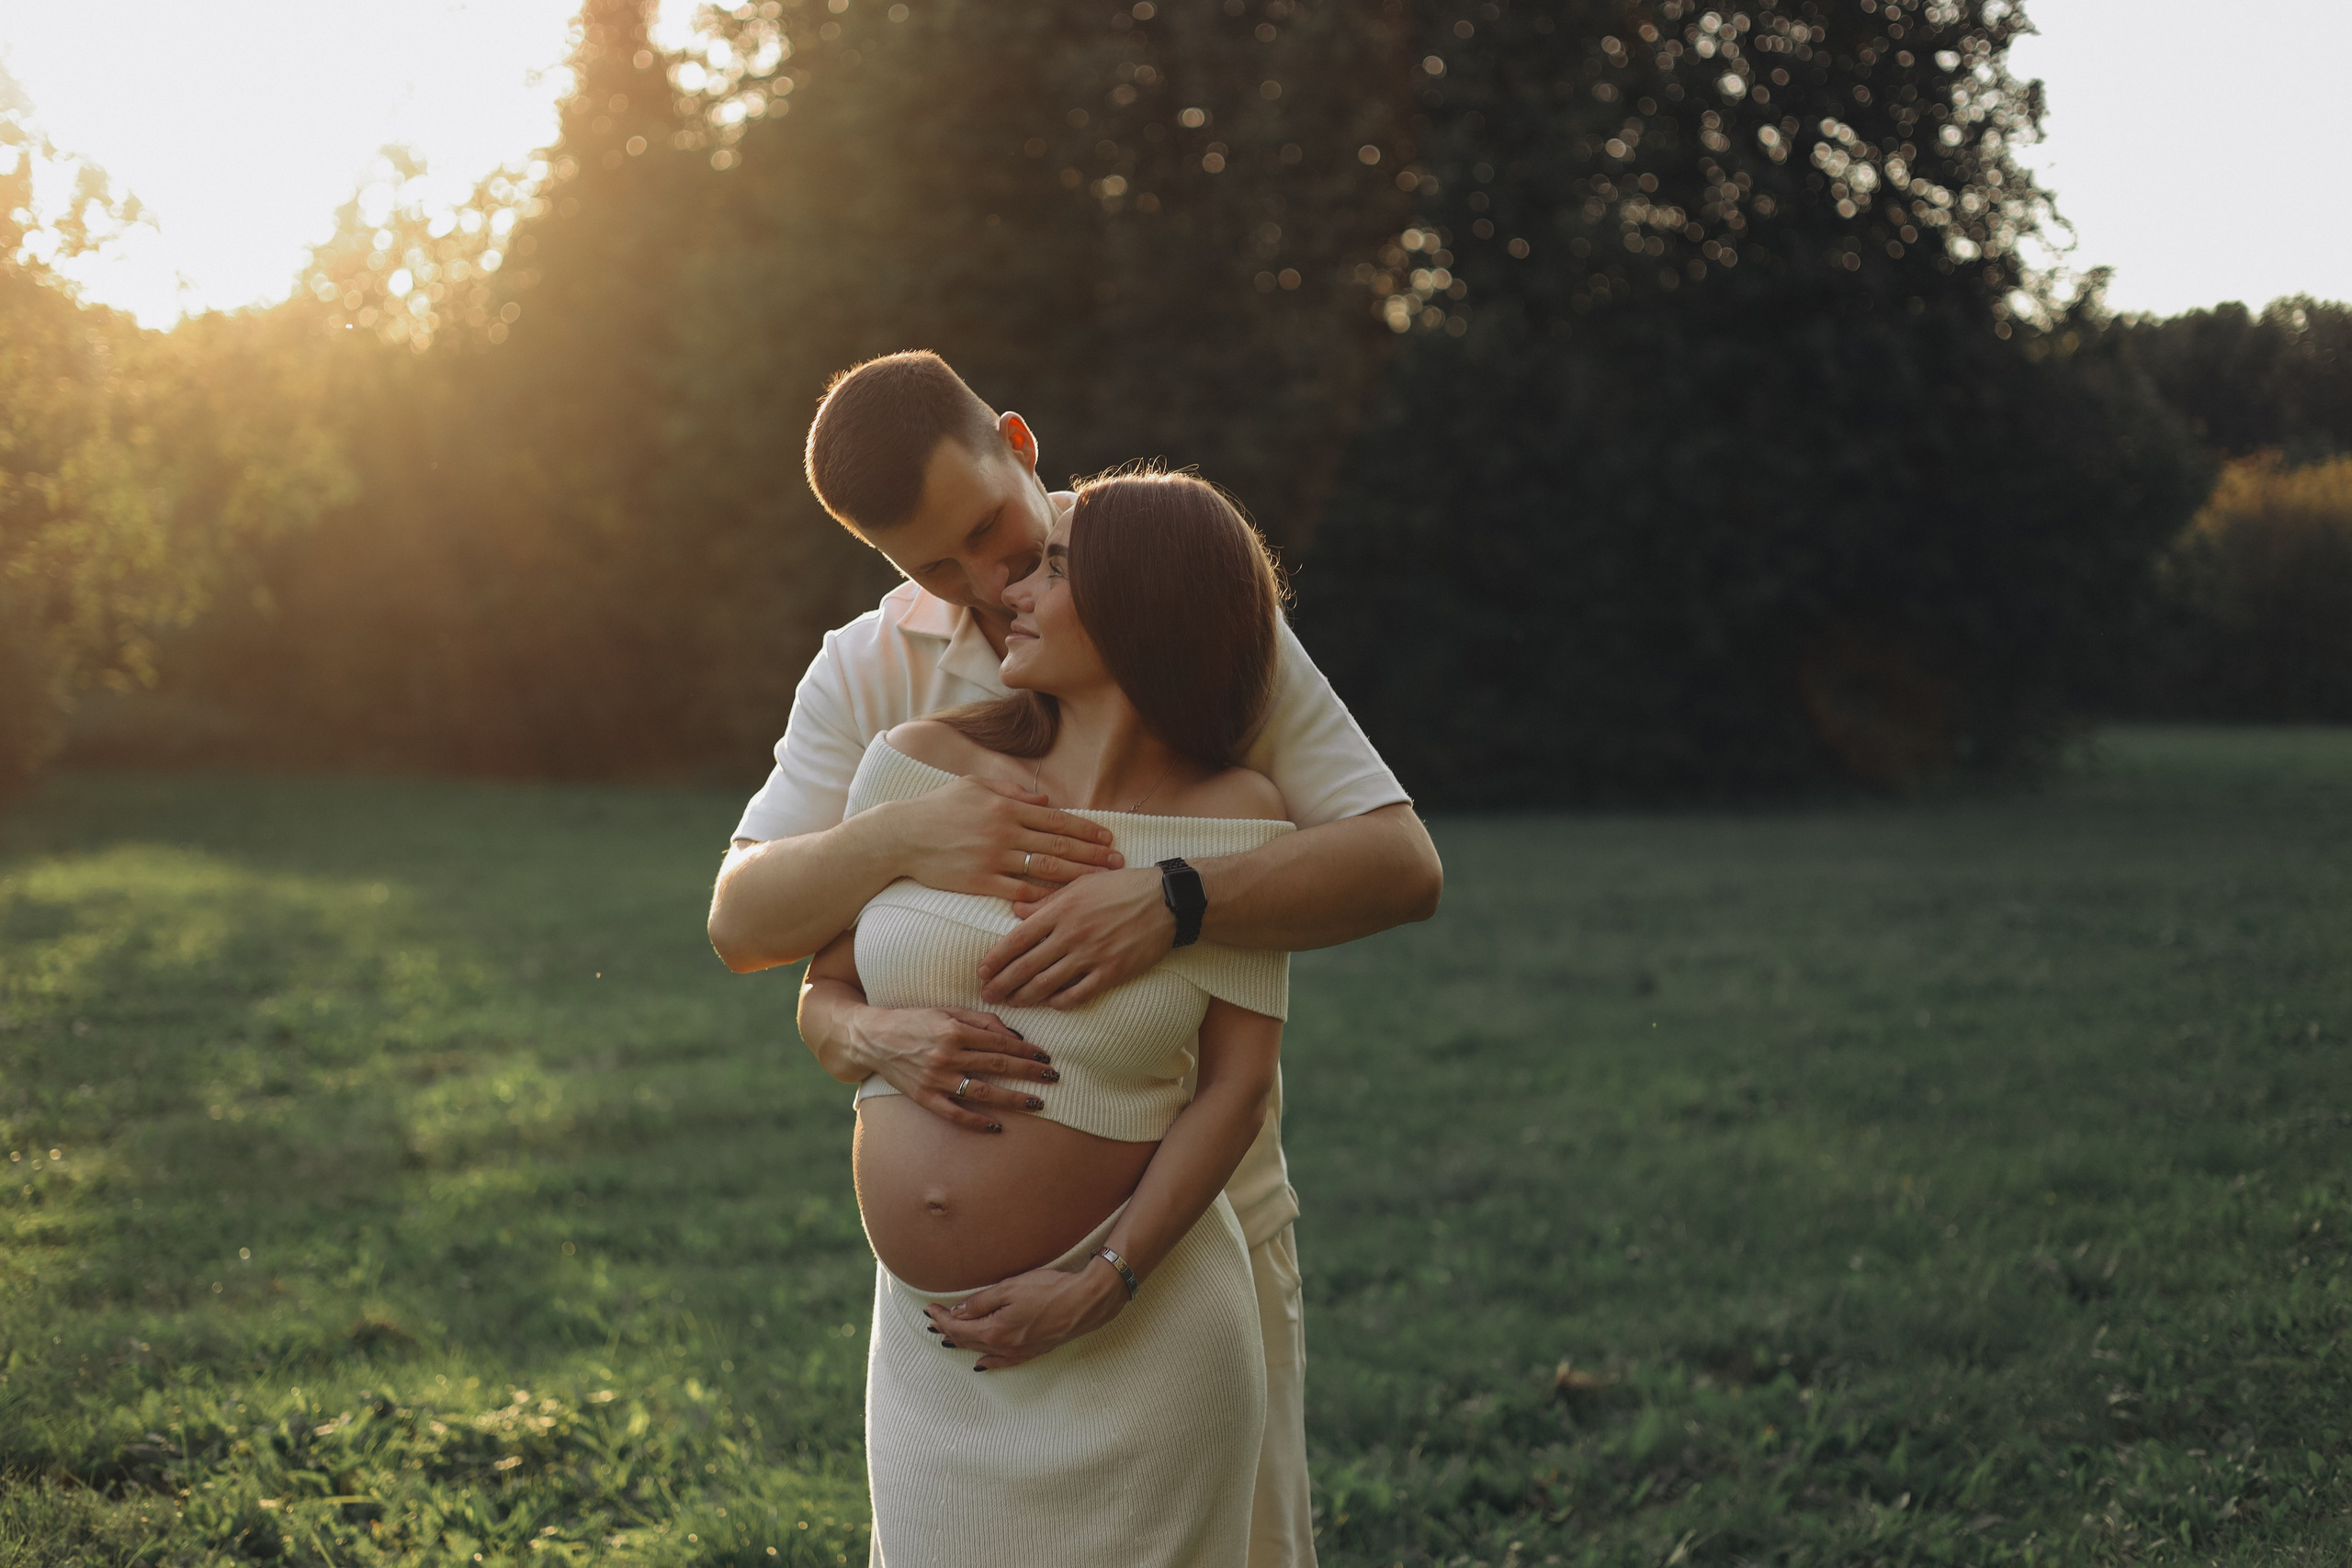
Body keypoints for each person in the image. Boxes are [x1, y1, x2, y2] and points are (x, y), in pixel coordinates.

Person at [707, 352, 1442, 1567]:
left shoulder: (1163, 584)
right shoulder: (874, 679)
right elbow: (748, 923)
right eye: (931, 564)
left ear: (1021, 443)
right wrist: (892, 874)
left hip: (1177, 1249)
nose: (987, 584)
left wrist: (1175, 898)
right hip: (946, 1332)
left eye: (996, 532)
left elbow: (1398, 864)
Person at [816, 470, 1296, 1563]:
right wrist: (869, 1037)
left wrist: (1101, 1281)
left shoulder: (1239, 822)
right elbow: (822, 987)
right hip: (935, 1361)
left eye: (1053, 568)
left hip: (1144, 1338)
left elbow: (1234, 1086)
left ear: (1146, 601)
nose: (1009, 593)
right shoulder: (919, 764)